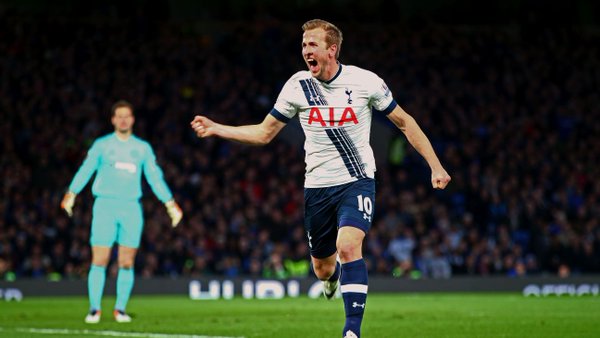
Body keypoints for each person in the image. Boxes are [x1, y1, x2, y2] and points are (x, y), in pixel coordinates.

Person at [190, 19, 450, 338]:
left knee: (349, 245)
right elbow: (263, 133)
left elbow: (405, 123)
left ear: (332, 49)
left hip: (357, 181)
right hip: (317, 188)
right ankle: (332, 279)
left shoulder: (365, 82)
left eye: (312, 44)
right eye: (303, 46)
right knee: (323, 267)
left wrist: (435, 166)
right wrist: (218, 128)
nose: (305, 50)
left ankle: (351, 331)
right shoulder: (298, 86)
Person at [61, 100, 183, 324]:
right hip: (105, 205)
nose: (124, 119)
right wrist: (71, 192)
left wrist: (170, 203)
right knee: (100, 259)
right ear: (113, 119)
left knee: (127, 262)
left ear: (133, 119)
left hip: (131, 208)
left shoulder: (142, 148)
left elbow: (155, 177)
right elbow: (86, 169)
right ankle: (94, 309)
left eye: (127, 116)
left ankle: (120, 309)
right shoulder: (101, 145)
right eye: (120, 116)